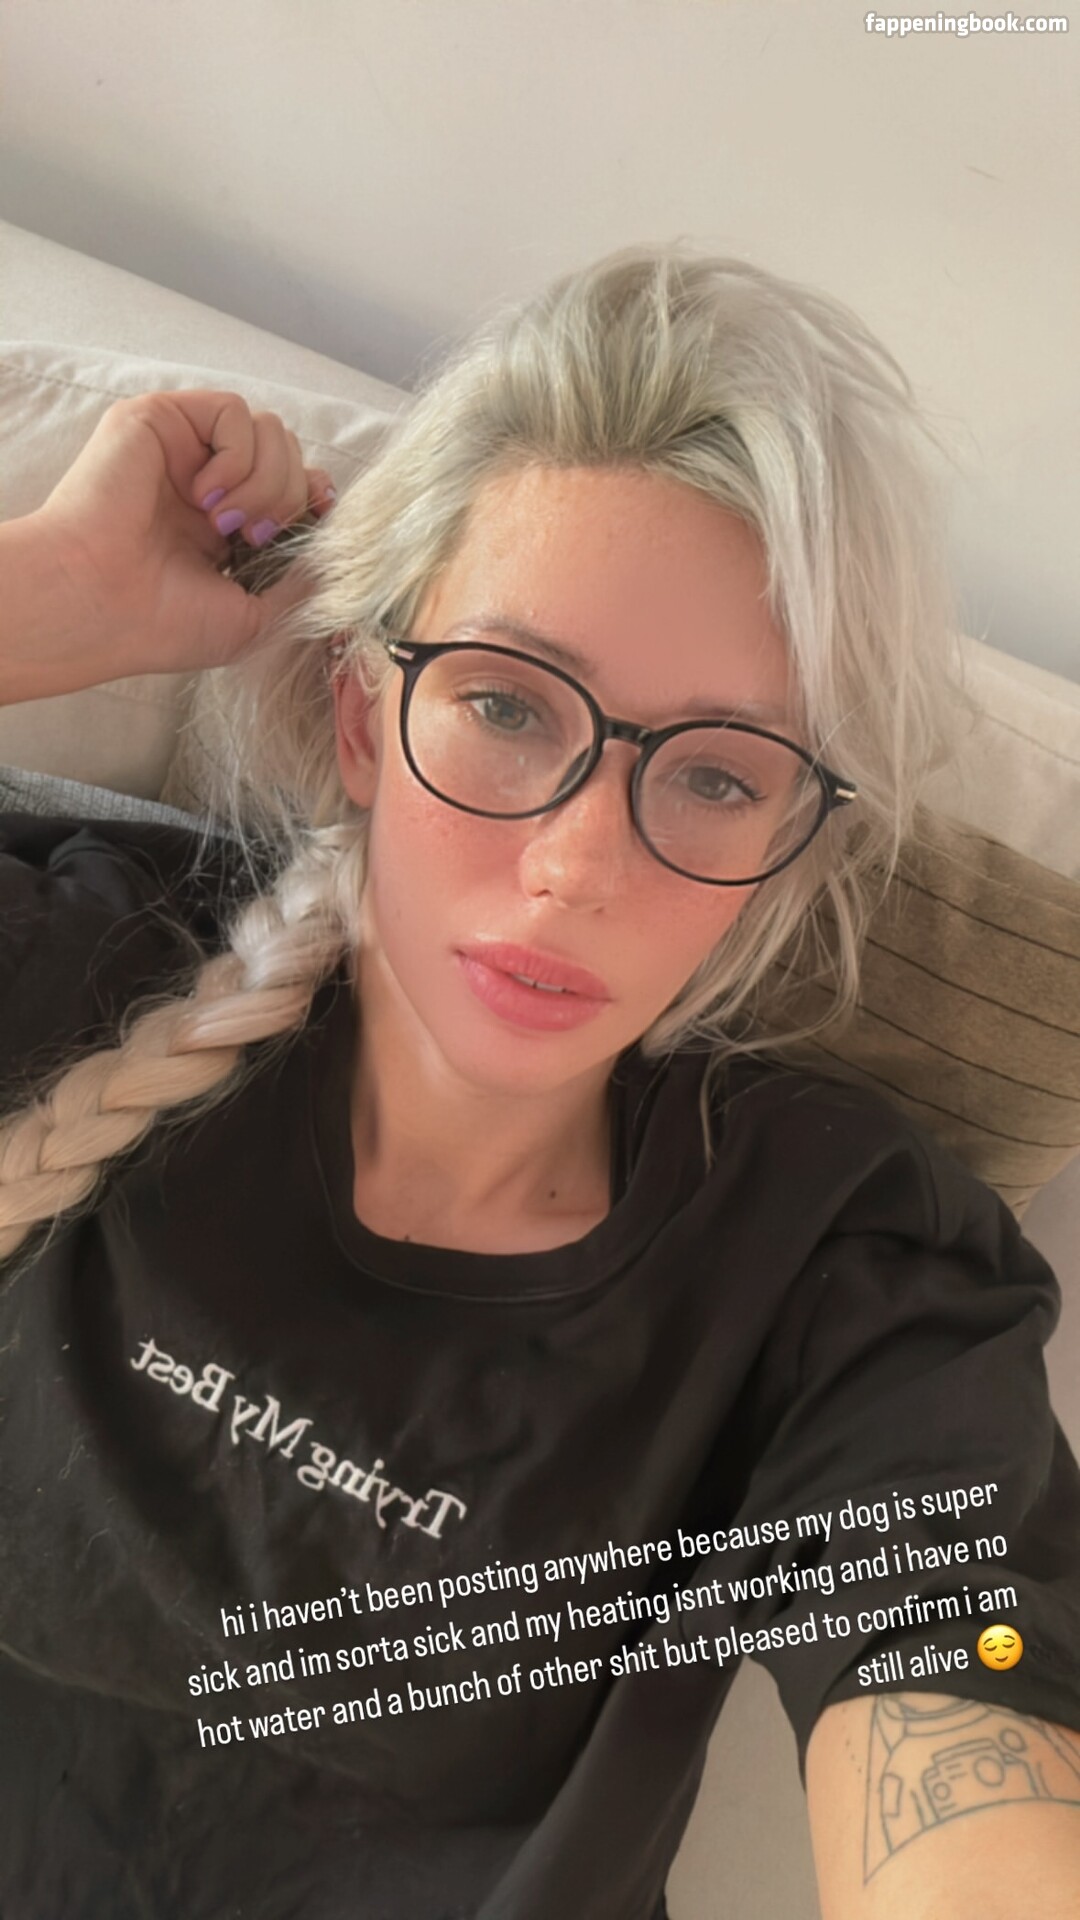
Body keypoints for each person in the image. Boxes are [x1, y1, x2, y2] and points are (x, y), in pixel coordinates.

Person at [0, 247, 1078, 1920]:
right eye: (505, 703)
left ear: (784, 850)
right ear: (365, 717)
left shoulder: (837, 1264)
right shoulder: (76, 966)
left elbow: (965, 1679)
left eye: (718, 774)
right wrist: (52, 592)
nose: (577, 865)